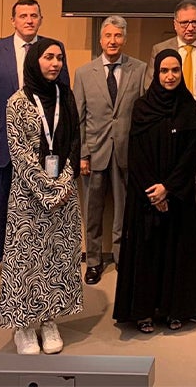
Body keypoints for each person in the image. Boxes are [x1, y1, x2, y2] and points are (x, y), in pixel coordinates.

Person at [0, 0, 67, 290]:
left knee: (38, 205)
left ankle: (33, 259)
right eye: (23, 16)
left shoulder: (53, 51)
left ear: (41, 19)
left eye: (34, 15)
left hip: (43, 145)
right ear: (12, 20)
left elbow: (63, 97)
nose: (28, 20)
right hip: (2, 144)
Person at [0, 38, 83, 355]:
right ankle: (23, 326)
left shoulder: (66, 95)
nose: (55, 63)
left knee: (56, 259)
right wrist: (48, 188)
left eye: (60, 57)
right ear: (35, 60)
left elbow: (75, 139)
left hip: (64, 192)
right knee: (27, 259)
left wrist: (65, 181)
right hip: (28, 196)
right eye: (49, 57)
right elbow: (20, 153)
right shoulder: (16, 102)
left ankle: (48, 319)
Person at [113, 50, 196, 332]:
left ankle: (173, 309)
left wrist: (168, 189)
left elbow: (190, 155)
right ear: (156, 73)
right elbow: (137, 154)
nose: (170, 76)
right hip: (146, 197)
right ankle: (143, 311)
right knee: (148, 252)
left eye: (175, 71)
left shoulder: (189, 107)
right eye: (164, 71)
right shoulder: (142, 107)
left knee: (175, 252)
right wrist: (153, 192)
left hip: (177, 196)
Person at [75, 15, 147, 284]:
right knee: (92, 212)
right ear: (100, 39)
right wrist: (82, 153)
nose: (113, 41)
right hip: (93, 154)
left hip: (126, 153)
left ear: (125, 39)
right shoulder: (84, 73)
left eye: (118, 36)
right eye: (108, 36)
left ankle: (121, 256)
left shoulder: (140, 70)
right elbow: (78, 118)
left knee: (124, 210)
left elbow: (142, 115)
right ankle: (93, 261)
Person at [148, 0, 196, 102]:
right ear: (175, 24)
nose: (190, 28)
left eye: (195, 22)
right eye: (184, 23)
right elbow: (149, 86)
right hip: (170, 113)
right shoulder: (160, 50)